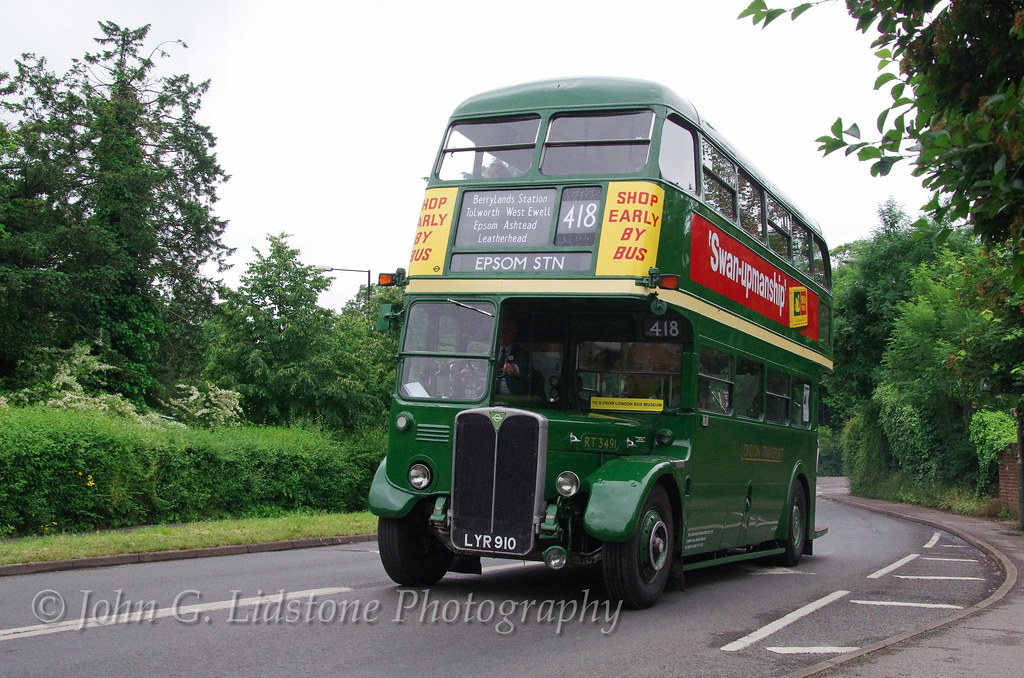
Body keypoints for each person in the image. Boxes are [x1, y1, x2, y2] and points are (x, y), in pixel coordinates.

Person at [495, 318, 530, 395]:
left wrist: (514, 368)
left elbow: (528, 370)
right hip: (490, 396)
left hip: (514, 398)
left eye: (506, 329)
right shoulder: (491, 350)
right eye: (501, 329)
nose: (502, 333)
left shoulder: (523, 353)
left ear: (514, 333)